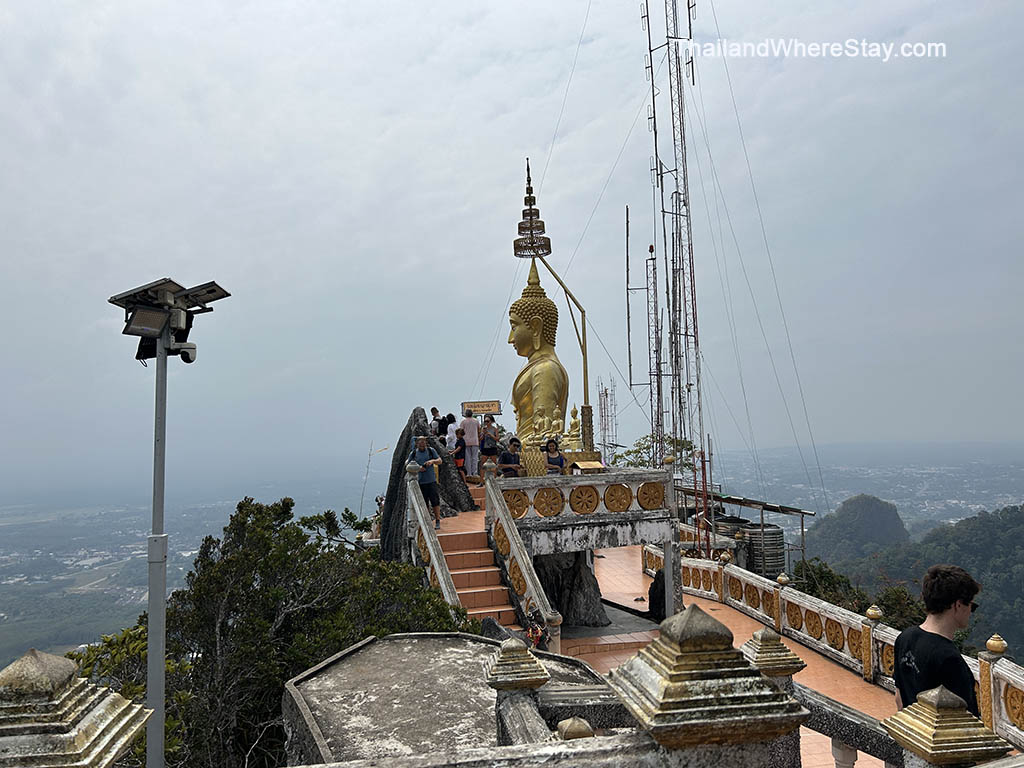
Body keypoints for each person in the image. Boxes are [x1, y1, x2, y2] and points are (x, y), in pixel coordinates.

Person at [894, 564, 981, 716]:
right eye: (972, 606)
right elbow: (966, 722)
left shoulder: (904, 638)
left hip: (913, 732)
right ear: (958, 605)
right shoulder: (949, 659)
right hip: (939, 739)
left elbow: (899, 700)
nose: (970, 612)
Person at [408, 435, 443, 529]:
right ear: (417, 443)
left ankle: (437, 520)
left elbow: (440, 461)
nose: (422, 444)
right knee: (424, 503)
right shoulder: (414, 453)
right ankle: (428, 521)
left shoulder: (431, 451)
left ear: (426, 442)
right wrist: (418, 468)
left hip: (431, 481)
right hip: (420, 482)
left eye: (423, 441)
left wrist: (432, 461)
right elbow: (407, 465)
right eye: (420, 442)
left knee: (435, 502)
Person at [460, 409, 480, 478]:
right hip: (475, 441)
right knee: (475, 458)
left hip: (466, 442)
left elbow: (461, 431)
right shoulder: (476, 421)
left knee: (467, 458)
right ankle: (475, 473)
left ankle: (469, 473)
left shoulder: (463, 422)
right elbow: (479, 430)